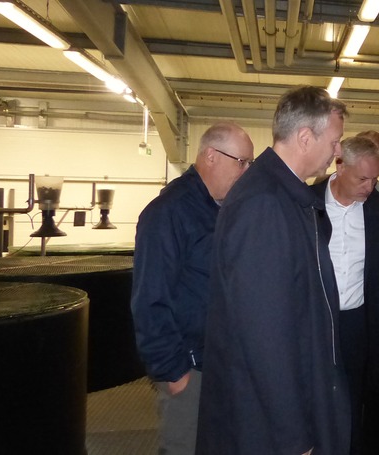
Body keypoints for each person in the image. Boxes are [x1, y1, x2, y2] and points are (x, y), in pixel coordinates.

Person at [196, 86, 349, 455]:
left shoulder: (287, 198)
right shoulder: (263, 205)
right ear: (305, 137)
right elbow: (265, 336)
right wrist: (293, 436)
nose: (339, 151)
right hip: (265, 424)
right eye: (335, 140)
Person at [130, 121, 254, 455]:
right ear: (211, 156)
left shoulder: (219, 208)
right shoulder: (169, 212)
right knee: (185, 446)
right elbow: (149, 300)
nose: (246, 171)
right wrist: (174, 373)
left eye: (249, 164)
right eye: (241, 162)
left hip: (219, 364)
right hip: (189, 370)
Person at [311, 136, 379, 455]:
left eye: (374, 179)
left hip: (356, 323)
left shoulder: (378, 208)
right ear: (339, 165)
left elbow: (377, 276)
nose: (369, 188)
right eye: (362, 179)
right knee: (313, 401)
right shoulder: (308, 201)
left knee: (352, 402)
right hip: (315, 323)